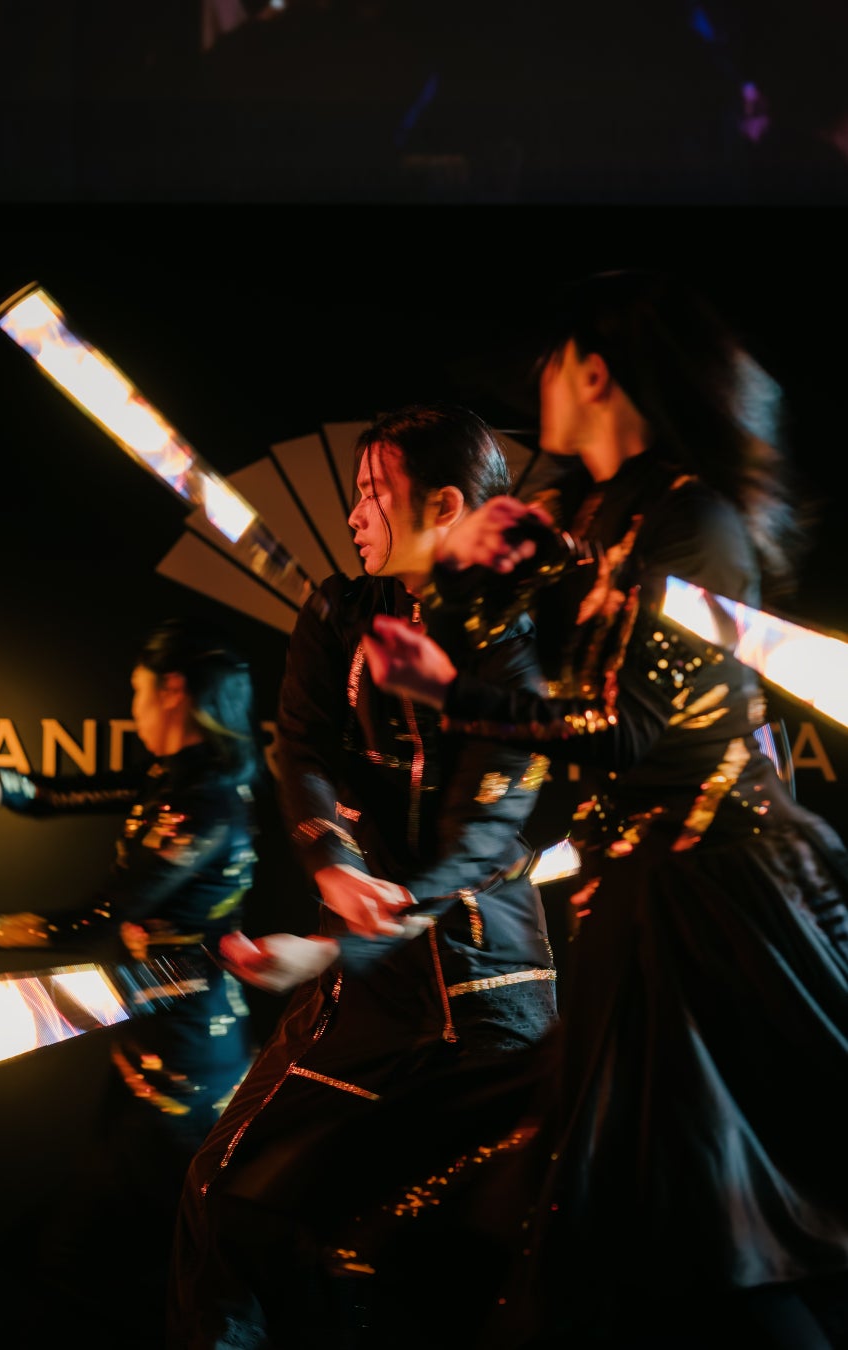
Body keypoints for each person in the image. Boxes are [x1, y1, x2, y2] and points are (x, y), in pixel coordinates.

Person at [361, 270, 848, 1348]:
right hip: (643, 896)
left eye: (548, 363)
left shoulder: (692, 522)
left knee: (708, 1228)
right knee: (652, 1233)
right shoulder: (602, 519)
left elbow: (623, 731)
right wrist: (474, 592)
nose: (535, 385)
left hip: (717, 900)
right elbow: (549, 681)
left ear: (592, 371)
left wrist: (448, 688)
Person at [168, 402, 561, 1350]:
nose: (352, 515)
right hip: (366, 993)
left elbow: (489, 831)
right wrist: (335, 865)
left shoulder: (517, 638)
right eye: (354, 494)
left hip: (491, 995)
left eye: (373, 494)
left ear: (447, 505)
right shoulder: (339, 612)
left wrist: (367, 924)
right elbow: (303, 746)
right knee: (227, 1196)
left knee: (474, 1262)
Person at [0, 614, 266, 1348]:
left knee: (105, 1262)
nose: (132, 706)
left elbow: (95, 918)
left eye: (135, 690)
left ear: (173, 689)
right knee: (109, 1258)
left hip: (189, 1067)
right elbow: (57, 795)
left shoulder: (207, 802)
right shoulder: (174, 780)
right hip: (153, 1051)